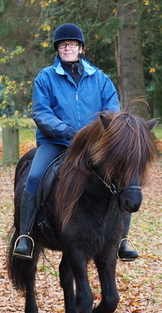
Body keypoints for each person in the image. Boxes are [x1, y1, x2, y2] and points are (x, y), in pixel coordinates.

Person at [12, 23, 139, 262]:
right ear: (57, 50)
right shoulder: (46, 77)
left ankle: (122, 239)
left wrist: (96, 135)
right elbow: (41, 112)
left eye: (71, 44)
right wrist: (67, 131)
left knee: (122, 178)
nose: (67, 48)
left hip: (94, 146)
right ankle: (26, 235)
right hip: (56, 142)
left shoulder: (99, 78)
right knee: (35, 176)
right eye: (62, 45)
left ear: (80, 48)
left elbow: (113, 111)